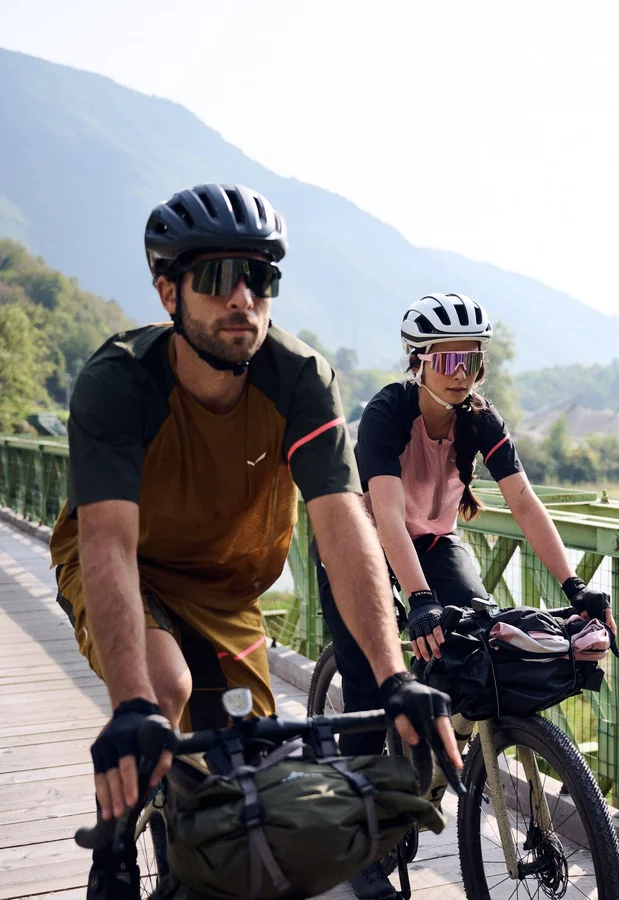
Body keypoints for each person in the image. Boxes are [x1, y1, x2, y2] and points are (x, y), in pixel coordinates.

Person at [48, 185, 461, 900]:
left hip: (228, 591)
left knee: (254, 775)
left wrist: (394, 677)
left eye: (259, 277)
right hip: (131, 567)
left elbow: (343, 525)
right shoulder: (119, 382)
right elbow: (108, 543)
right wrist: (131, 705)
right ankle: (113, 843)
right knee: (164, 691)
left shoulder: (299, 378)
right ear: (168, 292)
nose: (242, 298)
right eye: (216, 278)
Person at [315, 292, 617, 900]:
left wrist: (575, 586)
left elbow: (524, 503)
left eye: (472, 360)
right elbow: (388, 520)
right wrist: (419, 599)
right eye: (449, 360)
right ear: (418, 360)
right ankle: (357, 841)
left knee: (481, 641)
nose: (462, 374)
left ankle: (425, 762)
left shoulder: (480, 419)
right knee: (371, 681)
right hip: (361, 541)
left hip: (434, 539)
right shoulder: (386, 414)